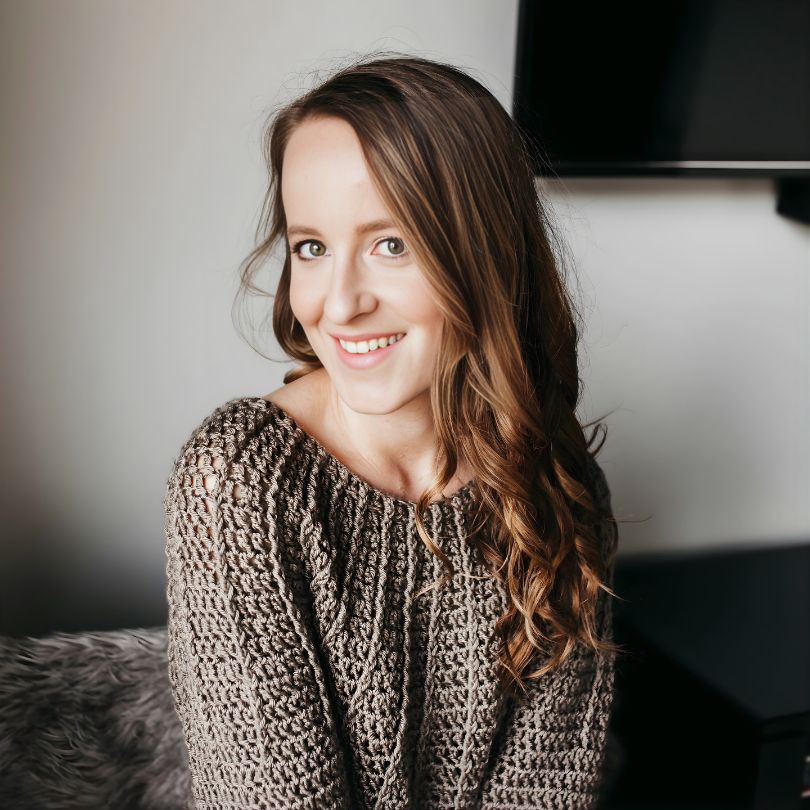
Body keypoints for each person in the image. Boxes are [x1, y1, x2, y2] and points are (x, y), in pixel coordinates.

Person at [163, 53, 622, 810]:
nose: (340, 304)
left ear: (487, 254)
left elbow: (546, 785)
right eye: (311, 247)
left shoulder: (557, 480)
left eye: (391, 244)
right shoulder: (240, 480)